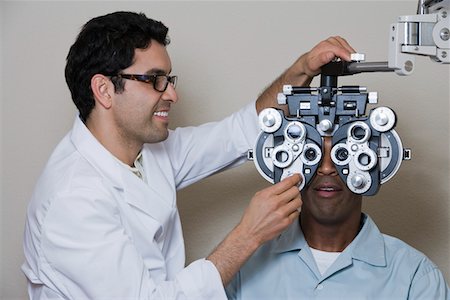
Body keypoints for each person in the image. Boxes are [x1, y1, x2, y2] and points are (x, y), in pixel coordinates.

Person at [21, 11, 355, 300]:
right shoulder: (73, 199)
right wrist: (248, 235)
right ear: (104, 89)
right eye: (155, 80)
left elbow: (239, 133)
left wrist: (301, 70)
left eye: (170, 79)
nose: (173, 95)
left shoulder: (147, 150)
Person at [226, 136, 450, 299]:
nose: (326, 168)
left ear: (372, 165)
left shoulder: (415, 275)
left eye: (342, 155)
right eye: (312, 155)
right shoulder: (241, 264)